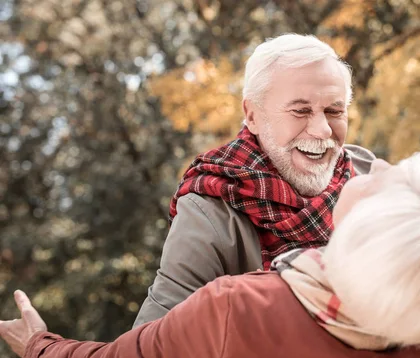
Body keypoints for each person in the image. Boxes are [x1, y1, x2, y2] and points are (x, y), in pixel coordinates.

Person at [0, 153, 420, 358]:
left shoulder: (236, 313)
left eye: (387, 182)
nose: (372, 165)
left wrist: (39, 350)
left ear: (354, 230)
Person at [132, 33, 375, 328]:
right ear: (253, 116)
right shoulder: (208, 213)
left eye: (334, 111)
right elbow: (154, 347)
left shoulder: (372, 178)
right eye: (300, 110)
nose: (323, 130)